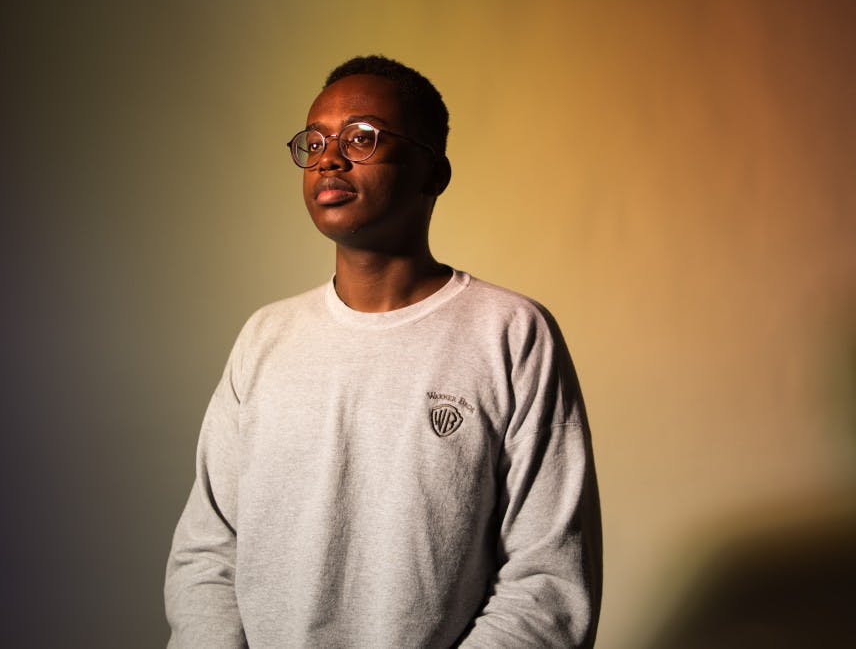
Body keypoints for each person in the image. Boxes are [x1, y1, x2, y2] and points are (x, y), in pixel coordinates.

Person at [165, 55, 602, 648]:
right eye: (314, 140)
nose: (329, 157)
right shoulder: (266, 338)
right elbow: (208, 551)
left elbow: (547, 580)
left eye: (362, 138)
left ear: (434, 173)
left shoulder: (510, 333)